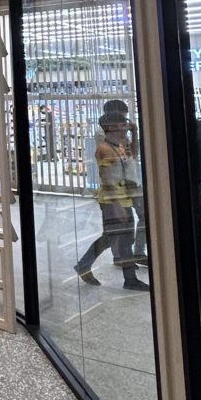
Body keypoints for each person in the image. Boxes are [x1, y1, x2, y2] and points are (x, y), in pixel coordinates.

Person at [75, 112, 150, 292]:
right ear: (112, 127)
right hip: (113, 202)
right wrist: (117, 206)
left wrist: (135, 132)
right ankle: (129, 278)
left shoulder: (119, 146)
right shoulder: (105, 149)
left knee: (113, 238)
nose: (126, 125)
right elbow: (107, 179)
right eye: (123, 123)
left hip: (121, 200)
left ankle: (85, 265)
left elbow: (134, 156)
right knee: (121, 239)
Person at [103, 98, 147, 262]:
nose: (125, 121)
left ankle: (138, 252)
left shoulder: (123, 133)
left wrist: (134, 133)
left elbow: (133, 155)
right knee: (119, 224)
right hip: (116, 186)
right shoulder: (103, 135)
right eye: (122, 117)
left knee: (143, 216)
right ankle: (119, 256)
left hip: (132, 181)